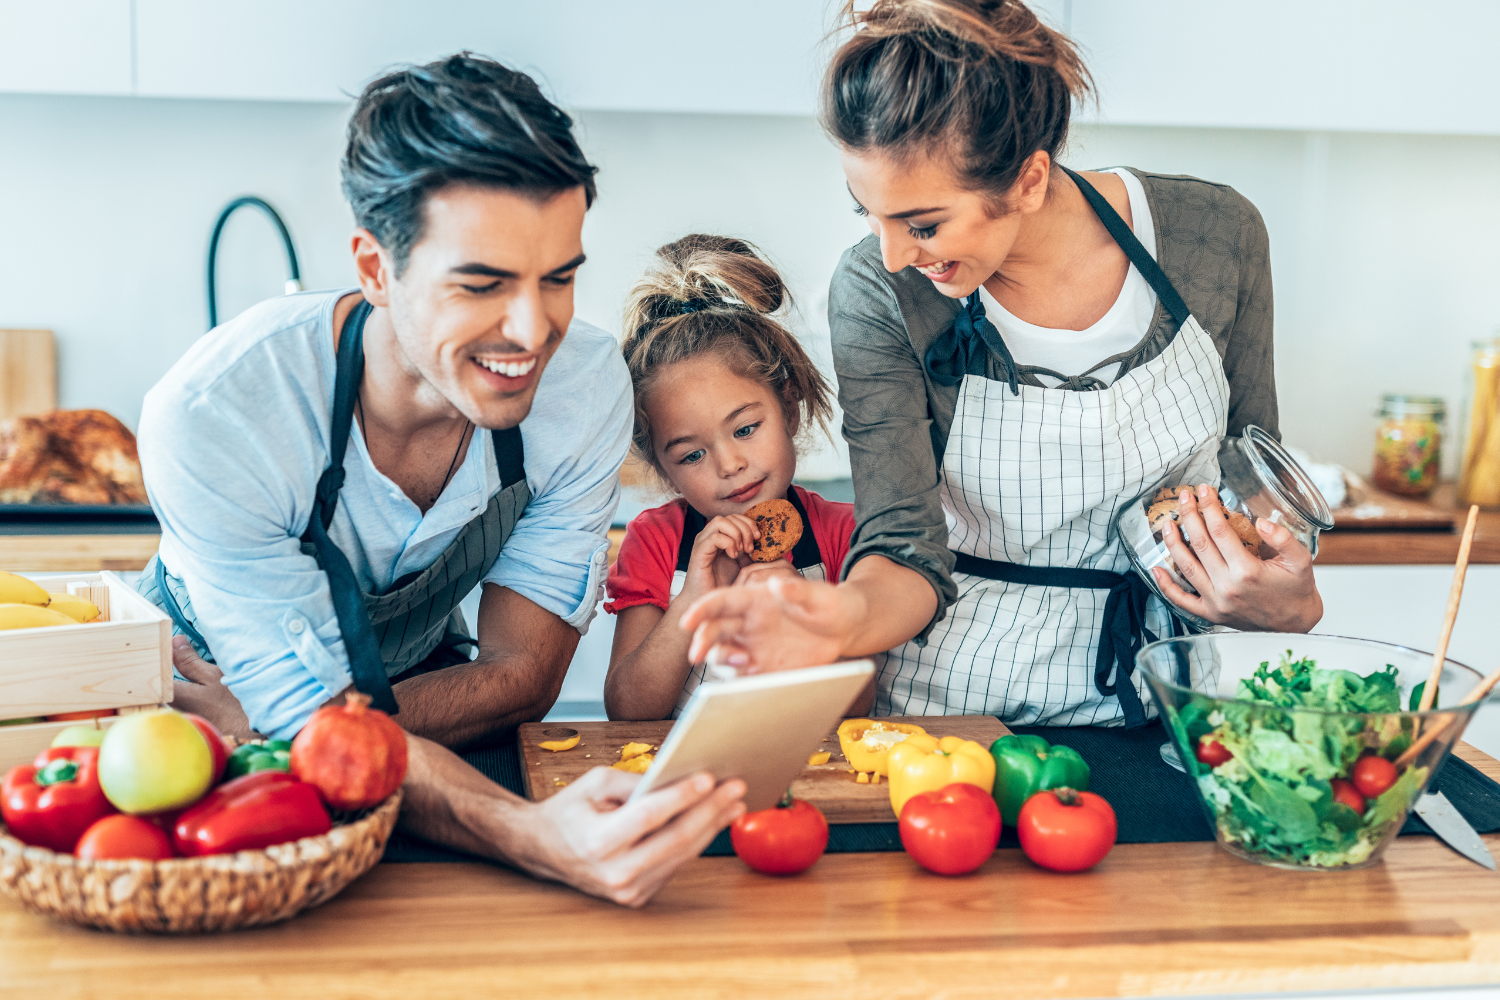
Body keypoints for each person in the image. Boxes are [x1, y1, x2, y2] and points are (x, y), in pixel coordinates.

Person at [134, 53, 744, 906]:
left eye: (559, 277)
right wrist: (535, 835)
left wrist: (301, 727)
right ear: (376, 270)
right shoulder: (221, 415)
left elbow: (522, 674)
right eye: (482, 284)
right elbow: (302, 722)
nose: (533, 330)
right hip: (192, 728)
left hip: (405, 715)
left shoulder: (583, 389)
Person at [682, 0, 1322, 728]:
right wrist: (840, 617)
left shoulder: (1216, 237)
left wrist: (1288, 599)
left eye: (922, 225)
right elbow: (902, 544)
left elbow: (1254, 483)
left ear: (1027, 179)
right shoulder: (878, 290)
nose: (892, 255)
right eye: (867, 211)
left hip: (1168, 699)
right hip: (955, 710)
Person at [603, 235, 860, 721]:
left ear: (788, 407)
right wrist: (694, 601)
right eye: (692, 455)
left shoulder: (843, 532)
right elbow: (628, 710)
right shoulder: (656, 541)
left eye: (745, 429)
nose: (729, 465)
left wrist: (809, 614)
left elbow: (860, 705)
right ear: (663, 468)